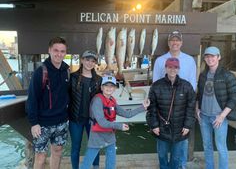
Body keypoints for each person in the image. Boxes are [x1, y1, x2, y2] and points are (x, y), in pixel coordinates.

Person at [80, 76, 150, 169]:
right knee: (87, 162)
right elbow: (102, 122)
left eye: (112, 86)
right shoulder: (97, 100)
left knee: (111, 161)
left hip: (109, 134)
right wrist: (119, 126)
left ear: (115, 88)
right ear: (102, 87)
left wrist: (142, 107)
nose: (109, 88)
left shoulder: (112, 100)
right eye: (106, 85)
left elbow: (127, 114)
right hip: (97, 135)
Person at [152, 30, 197, 168]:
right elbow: (155, 87)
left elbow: (193, 88)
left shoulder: (190, 60)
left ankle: (181, 166)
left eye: (177, 40)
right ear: (168, 42)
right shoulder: (160, 60)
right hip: (164, 111)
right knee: (162, 151)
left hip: (182, 112)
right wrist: (154, 122)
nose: (175, 42)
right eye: (172, 40)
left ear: (181, 42)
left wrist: (188, 121)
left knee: (180, 151)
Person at [26, 37, 70, 169]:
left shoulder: (66, 71)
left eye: (62, 51)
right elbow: (32, 99)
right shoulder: (40, 72)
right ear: (49, 50)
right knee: (40, 157)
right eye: (56, 50)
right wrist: (34, 123)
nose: (59, 54)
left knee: (57, 152)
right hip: (43, 124)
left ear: (65, 53)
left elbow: (67, 94)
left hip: (61, 121)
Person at [196, 46, 236, 169]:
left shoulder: (228, 75)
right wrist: (197, 109)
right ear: (205, 58)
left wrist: (222, 116)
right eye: (207, 56)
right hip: (204, 117)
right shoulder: (203, 75)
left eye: (213, 56)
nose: (210, 59)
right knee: (207, 146)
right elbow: (199, 94)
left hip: (218, 118)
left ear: (219, 57)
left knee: (221, 147)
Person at [146, 57, 196, 169]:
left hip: (180, 130)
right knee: (162, 156)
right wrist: (154, 125)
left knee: (176, 158)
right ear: (166, 68)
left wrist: (188, 125)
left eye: (175, 67)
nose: (172, 69)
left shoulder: (186, 86)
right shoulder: (156, 86)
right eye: (170, 67)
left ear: (179, 69)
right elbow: (152, 108)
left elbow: (191, 107)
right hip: (162, 128)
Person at [68, 50, 102, 169]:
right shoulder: (73, 77)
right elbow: (66, 97)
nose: (89, 63)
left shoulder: (99, 80)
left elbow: (102, 100)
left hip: (92, 120)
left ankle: (95, 167)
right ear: (82, 60)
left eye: (92, 61)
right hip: (75, 119)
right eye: (87, 60)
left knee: (94, 146)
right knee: (75, 147)